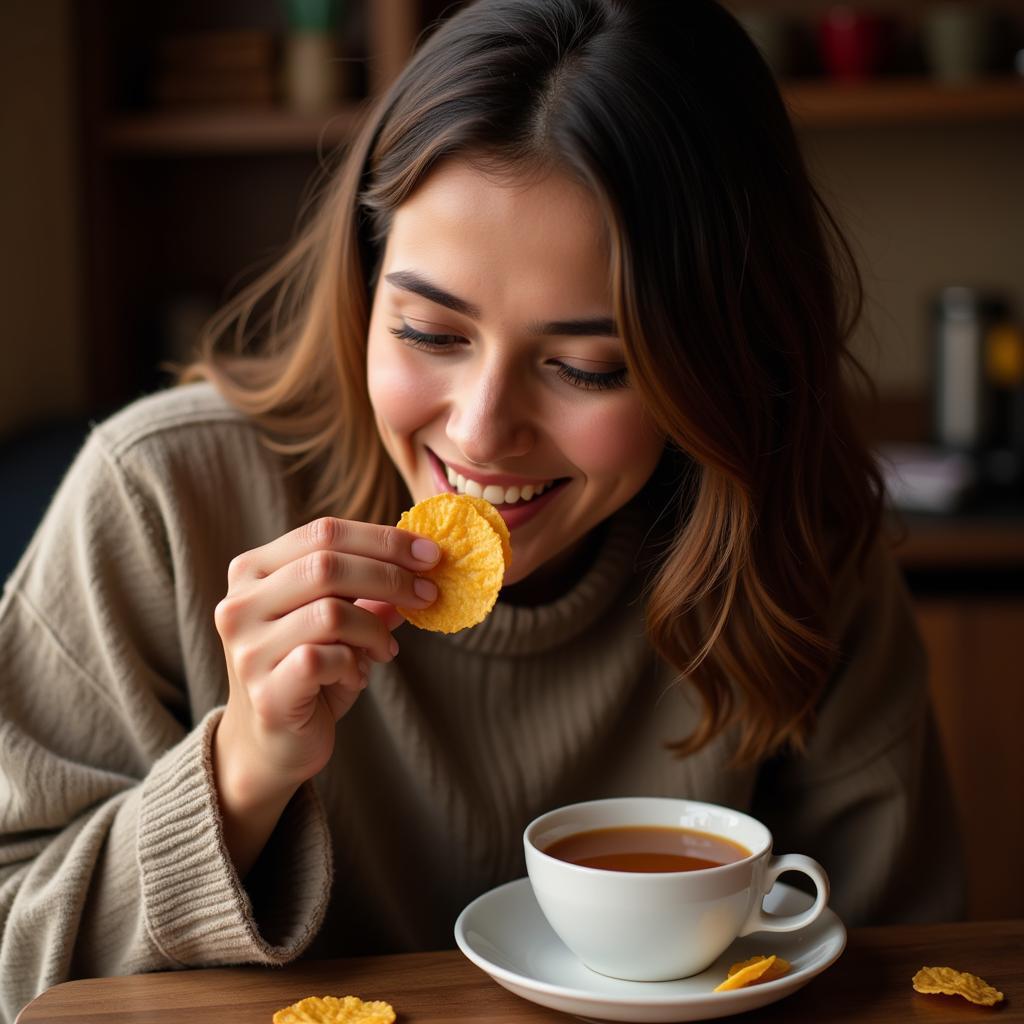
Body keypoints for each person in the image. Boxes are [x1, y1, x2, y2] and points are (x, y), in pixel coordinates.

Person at [0, 0, 963, 1017]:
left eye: (584, 367)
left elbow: (905, 963)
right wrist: (243, 772)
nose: (480, 429)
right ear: (367, 287)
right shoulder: (162, 499)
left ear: (721, 362)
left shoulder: (794, 542)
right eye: (429, 331)